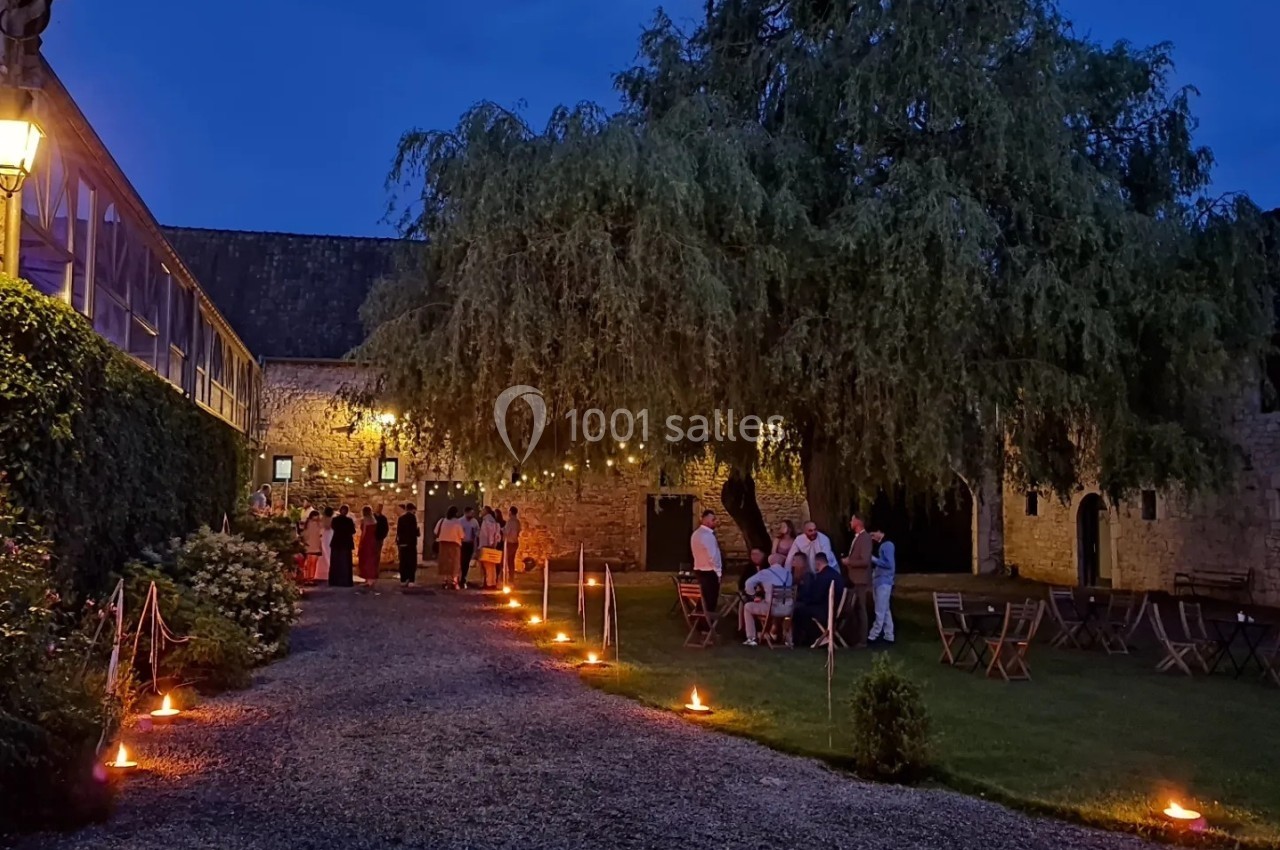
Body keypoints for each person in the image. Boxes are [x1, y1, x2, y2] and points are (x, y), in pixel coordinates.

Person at [793, 552, 845, 647]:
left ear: (818, 563)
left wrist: (802, 600)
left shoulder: (823, 577)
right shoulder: (835, 574)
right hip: (835, 609)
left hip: (827, 611)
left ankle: (802, 640)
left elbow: (816, 597)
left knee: (798, 611)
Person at [741, 553, 794, 646]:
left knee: (748, 607)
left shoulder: (765, 572)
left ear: (770, 562)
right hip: (788, 609)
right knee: (767, 603)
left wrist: (753, 595)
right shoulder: (788, 574)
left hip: (772, 609)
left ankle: (751, 638)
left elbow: (748, 583)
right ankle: (788, 640)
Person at [841, 513, 873, 648]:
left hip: (860, 580)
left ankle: (862, 640)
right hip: (853, 579)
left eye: (852, 520)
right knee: (852, 608)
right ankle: (853, 637)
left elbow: (865, 561)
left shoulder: (865, 538)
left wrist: (849, 562)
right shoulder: (858, 538)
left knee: (861, 608)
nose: (850, 522)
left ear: (858, 522)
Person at [690, 509, 723, 625]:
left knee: (703, 599)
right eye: (712, 520)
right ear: (705, 520)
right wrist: (718, 572)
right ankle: (706, 626)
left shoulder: (696, 534)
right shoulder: (707, 536)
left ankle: (700, 624)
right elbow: (713, 556)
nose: (715, 522)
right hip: (709, 572)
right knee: (710, 600)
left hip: (699, 570)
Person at [867, 526, 897, 645]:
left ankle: (873, 635)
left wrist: (873, 559)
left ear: (880, 531)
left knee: (879, 609)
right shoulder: (883, 545)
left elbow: (889, 564)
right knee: (885, 609)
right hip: (880, 581)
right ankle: (889, 635)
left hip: (884, 581)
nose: (872, 537)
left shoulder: (887, 545)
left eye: (873, 534)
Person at [328, 505, 357, 588]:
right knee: (345, 563)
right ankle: (345, 581)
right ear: (347, 512)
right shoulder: (349, 520)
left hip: (336, 542)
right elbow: (353, 531)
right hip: (346, 543)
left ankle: (335, 581)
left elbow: (333, 527)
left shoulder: (335, 520)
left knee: (335, 562)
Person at [436, 506, 464, 589]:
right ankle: (454, 581)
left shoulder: (442, 521)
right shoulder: (457, 523)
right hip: (454, 544)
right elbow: (462, 535)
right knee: (454, 563)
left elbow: (436, 531)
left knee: (444, 562)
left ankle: (444, 580)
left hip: (443, 544)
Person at [478, 507, 503, 589]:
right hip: (490, 545)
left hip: (486, 545)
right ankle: (491, 582)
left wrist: (490, 543)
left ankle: (489, 583)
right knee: (491, 566)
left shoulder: (487, 521)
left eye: (483, 510)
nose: (481, 511)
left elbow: (489, 534)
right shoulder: (493, 521)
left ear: (486, 511)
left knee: (487, 566)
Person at [396, 502, 420, 586]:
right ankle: (411, 580)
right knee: (411, 562)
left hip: (403, 543)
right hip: (411, 544)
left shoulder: (401, 518)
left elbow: (398, 531)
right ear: (412, 510)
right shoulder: (412, 518)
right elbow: (414, 531)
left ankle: (403, 579)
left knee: (403, 562)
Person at [357, 505, 380, 586]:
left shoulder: (364, 520)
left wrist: (361, 542)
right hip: (373, 540)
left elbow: (364, 532)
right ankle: (371, 578)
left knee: (366, 559)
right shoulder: (374, 520)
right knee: (372, 559)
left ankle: (368, 579)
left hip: (366, 541)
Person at [459, 506, 480, 589]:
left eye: (472, 513)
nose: (472, 514)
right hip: (462, 543)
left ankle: (464, 577)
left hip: (470, 543)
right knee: (462, 560)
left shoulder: (474, 522)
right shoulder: (460, 521)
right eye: (470, 513)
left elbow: (477, 532)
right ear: (466, 513)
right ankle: (460, 577)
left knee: (467, 561)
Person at [300, 510, 322, 583]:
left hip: (309, 546)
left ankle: (307, 577)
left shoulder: (307, 524)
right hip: (314, 546)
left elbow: (304, 535)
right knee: (312, 563)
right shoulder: (316, 524)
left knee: (309, 563)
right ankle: (310, 578)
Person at [504, 506, 522, 580]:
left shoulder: (510, 522)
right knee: (512, 560)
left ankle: (507, 576)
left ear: (510, 512)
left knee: (508, 560)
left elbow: (506, 532)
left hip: (510, 542)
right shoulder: (517, 522)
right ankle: (511, 576)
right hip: (515, 542)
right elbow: (519, 531)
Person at [316, 506, 334, 583]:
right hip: (330, 534)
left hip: (326, 534)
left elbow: (323, 526)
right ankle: (328, 567)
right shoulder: (333, 519)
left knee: (325, 550)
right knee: (328, 550)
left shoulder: (323, 518)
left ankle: (326, 568)